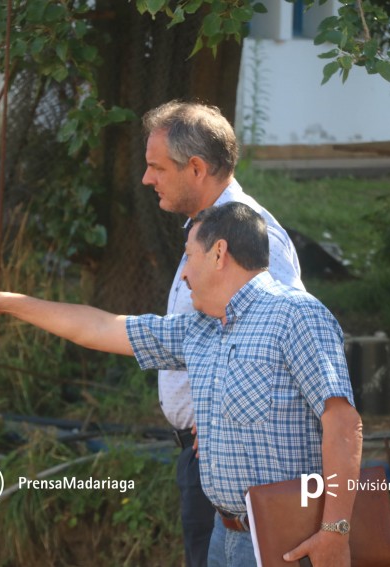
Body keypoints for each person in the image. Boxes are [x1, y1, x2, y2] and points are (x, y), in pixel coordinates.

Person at [0, 202, 362, 567]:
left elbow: (343, 424)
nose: (182, 277)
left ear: (219, 253)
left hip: (292, 540)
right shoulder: (201, 328)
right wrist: (6, 302)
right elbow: (100, 327)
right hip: (225, 534)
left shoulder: (297, 316)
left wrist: (336, 531)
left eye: (187, 259)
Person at [140, 101, 304, 566]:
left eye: (156, 167)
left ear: (195, 167)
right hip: (207, 458)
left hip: (240, 463)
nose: (147, 178)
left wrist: (220, 422)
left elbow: (283, 345)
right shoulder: (205, 229)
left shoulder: (255, 236)